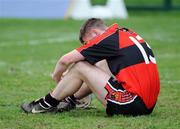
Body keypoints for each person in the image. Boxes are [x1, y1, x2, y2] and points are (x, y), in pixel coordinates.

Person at [21, 18, 160, 116]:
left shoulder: (106, 39)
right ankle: (71, 100)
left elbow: (65, 60)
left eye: (87, 43)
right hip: (146, 103)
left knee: (80, 66)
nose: (88, 46)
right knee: (100, 63)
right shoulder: (125, 33)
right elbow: (97, 66)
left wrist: (58, 79)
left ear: (94, 33)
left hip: (131, 103)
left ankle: (44, 105)